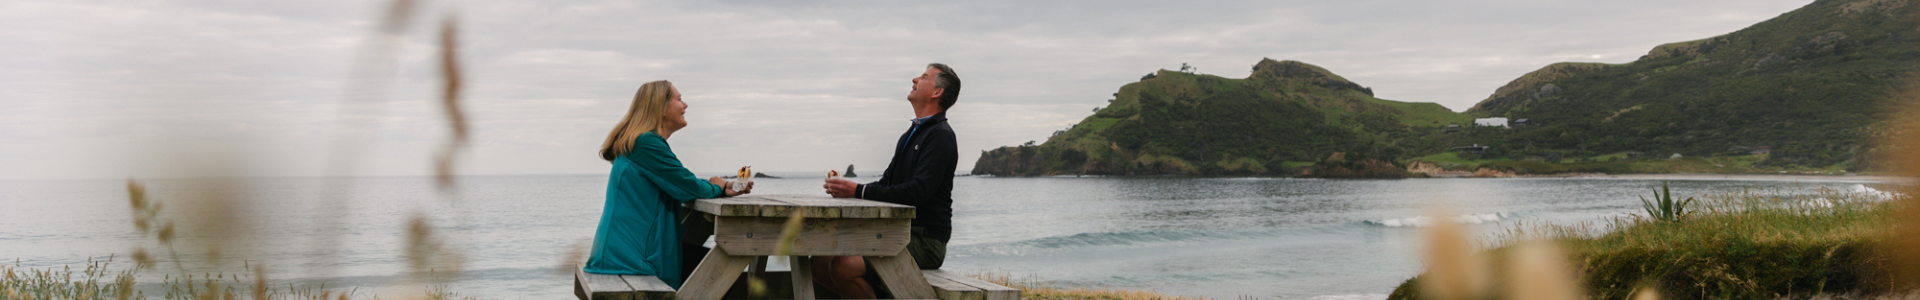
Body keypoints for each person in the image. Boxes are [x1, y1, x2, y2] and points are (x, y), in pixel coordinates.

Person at [584, 80, 751, 289]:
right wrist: (717, 188)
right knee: (722, 273)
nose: (685, 105)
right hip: (630, 259)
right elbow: (686, 187)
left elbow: (678, 180)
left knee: (722, 272)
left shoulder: (640, 142)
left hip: (626, 253)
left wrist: (720, 188)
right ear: (661, 108)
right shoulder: (645, 143)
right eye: (679, 99)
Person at [815, 63, 961, 298]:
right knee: (819, 263)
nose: (914, 79)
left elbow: (918, 192)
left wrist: (858, 191)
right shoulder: (911, 133)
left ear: (937, 93)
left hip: (925, 241)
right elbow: (887, 184)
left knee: (845, 267)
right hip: (897, 233)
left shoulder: (941, 136)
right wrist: (848, 190)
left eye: (923, 77)